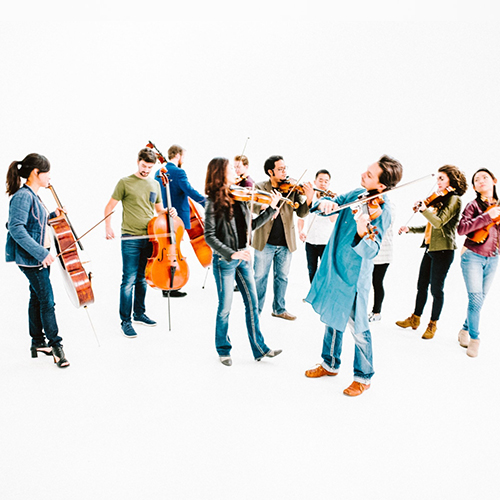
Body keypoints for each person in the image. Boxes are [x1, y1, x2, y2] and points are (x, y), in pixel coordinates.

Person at [304, 155, 403, 397]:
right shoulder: (358, 193)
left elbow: (372, 250)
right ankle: (329, 363)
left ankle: (363, 376)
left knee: (358, 327)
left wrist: (361, 232)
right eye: (366, 171)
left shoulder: (383, 209)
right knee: (331, 316)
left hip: (354, 275)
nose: (363, 175)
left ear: (381, 186)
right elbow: (332, 205)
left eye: (369, 175)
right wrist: (316, 202)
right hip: (335, 264)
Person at [204, 157, 283, 366]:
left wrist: (272, 209)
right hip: (225, 261)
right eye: (231, 168)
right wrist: (232, 253)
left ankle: (260, 349)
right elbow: (209, 236)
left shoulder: (240, 196)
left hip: (244, 257)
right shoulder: (213, 202)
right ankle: (223, 349)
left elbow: (253, 224)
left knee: (252, 304)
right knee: (225, 307)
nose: (235, 171)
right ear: (220, 173)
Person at [5, 153, 69, 368]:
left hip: (38, 258)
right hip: (34, 260)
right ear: (36, 173)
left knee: (37, 297)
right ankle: (56, 346)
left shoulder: (33, 195)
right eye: (47, 172)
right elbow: (16, 228)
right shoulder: (23, 196)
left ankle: (38, 342)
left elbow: (35, 222)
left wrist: (52, 215)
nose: (50, 176)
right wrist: (42, 253)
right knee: (47, 301)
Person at [104, 148, 170, 338]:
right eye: (143, 166)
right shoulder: (125, 182)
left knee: (143, 278)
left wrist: (168, 212)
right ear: (137, 161)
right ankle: (125, 321)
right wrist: (108, 226)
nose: (146, 170)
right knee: (128, 280)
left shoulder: (155, 184)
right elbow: (109, 206)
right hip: (130, 238)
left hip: (150, 238)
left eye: (149, 167)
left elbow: (158, 210)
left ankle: (139, 313)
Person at [396, 165, 468, 339]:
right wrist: (409, 229)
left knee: (436, 290)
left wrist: (424, 209)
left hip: (444, 250)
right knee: (421, 286)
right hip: (430, 248)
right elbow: (429, 226)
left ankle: (432, 324)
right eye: (438, 178)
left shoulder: (454, 199)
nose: (438, 182)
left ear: (452, 179)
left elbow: (439, 222)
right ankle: (415, 318)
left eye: (442, 178)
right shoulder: (440, 199)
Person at [252, 155, 314, 320]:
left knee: (282, 277)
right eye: (280, 169)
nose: (284, 172)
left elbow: (301, 212)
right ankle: (255, 312)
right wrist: (267, 206)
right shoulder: (259, 186)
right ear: (270, 172)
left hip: (286, 243)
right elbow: (253, 205)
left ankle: (279, 309)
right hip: (264, 242)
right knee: (259, 278)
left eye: (285, 168)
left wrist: (309, 198)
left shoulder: (292, 189)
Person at [456, 168, 499, 357]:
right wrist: (488, 216)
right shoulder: (473, 206)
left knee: (479, 300)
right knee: (475, 299)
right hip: (472, 256)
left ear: (494, 181)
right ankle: (475, 338)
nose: (481, 180)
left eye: (485, 177)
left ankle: (464, 329)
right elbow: (462, 229)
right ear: (474, 187)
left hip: (494, 257)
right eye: (477, 179)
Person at [154, 144, 206, 298]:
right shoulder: (179, 172)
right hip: (177, 217)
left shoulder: (158, 172)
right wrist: (205, 202)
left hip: (163, 216)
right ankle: (169, 286)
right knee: (174, 250)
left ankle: (166, 284)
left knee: (169, 249)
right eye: (183, 156)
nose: (183, 159)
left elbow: (155, 195)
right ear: (177, 155)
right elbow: (189, 190)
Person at [297, 169, 337, 282]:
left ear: (329, 184)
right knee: (311, 270)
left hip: (325, 242)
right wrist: (300, 232)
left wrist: (332, 207)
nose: (323, 183)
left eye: (326, 181)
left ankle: (324, 296)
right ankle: (313, 296)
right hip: (310, 241)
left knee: (325, 271)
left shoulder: (332, 198)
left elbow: (333, 219)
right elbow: (301, 218)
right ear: (315, 182)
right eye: (320, 180)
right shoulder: (309, 197)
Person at [368, 213, 394, 322]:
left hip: (383, 252)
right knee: (366, 282)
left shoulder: (389, 208)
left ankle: (377, 312)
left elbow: (382, 223)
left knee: (377, 282)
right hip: (371, 251)